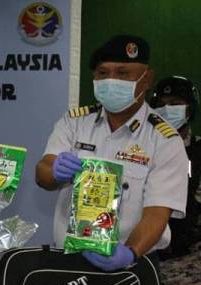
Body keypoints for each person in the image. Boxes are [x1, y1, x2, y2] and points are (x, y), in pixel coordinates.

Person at [35, 35, 188, 272]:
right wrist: (54, 170)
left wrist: (130, 252)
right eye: (103, 73)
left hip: (132, 264)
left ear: (146, 79)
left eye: (123, 73)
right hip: (68, 261)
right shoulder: (74, 122)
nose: (111, 81)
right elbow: (43, 172)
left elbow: (157, 213)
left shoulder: (165, 140)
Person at [150, 76, 201, 258]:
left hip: (190, 262)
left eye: (175, 103)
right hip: (144, 254)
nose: (167, 109)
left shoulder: (198, 151)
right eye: (162, 104)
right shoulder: (138, 150)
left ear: (189, 109)